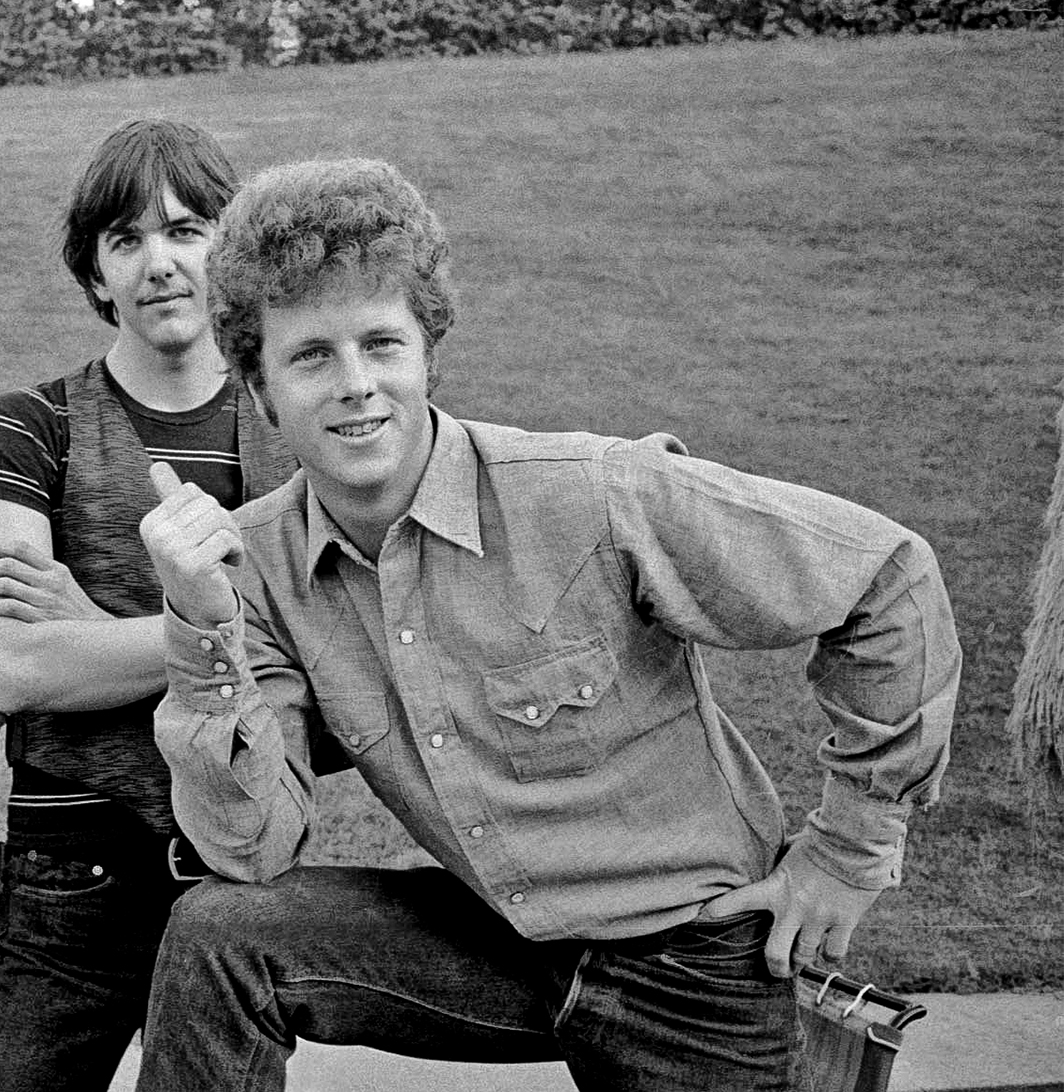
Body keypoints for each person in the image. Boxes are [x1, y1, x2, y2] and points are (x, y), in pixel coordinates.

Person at [132, 157, 961, 1091]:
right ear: (259, 391)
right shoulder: (250, 566)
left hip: (694, 958)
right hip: (498, 944)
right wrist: (202, 628)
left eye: (382, 344)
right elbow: (252, 849)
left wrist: (848, 853)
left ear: (428, 357)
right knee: (220, 934)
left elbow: (888, 575)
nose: (356, 384)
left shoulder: (594, 493)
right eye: (311, 356)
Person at [0, 119, 297, 1091]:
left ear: (230, 251)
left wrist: (94, 632)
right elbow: (17, 670)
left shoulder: (292, 430)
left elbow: (337, 647)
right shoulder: (27, 426)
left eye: (186, 231)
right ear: (96, 273)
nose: (159, 262)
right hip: (70, 875)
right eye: (126, 239)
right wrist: (231, 629)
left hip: (238, 870)